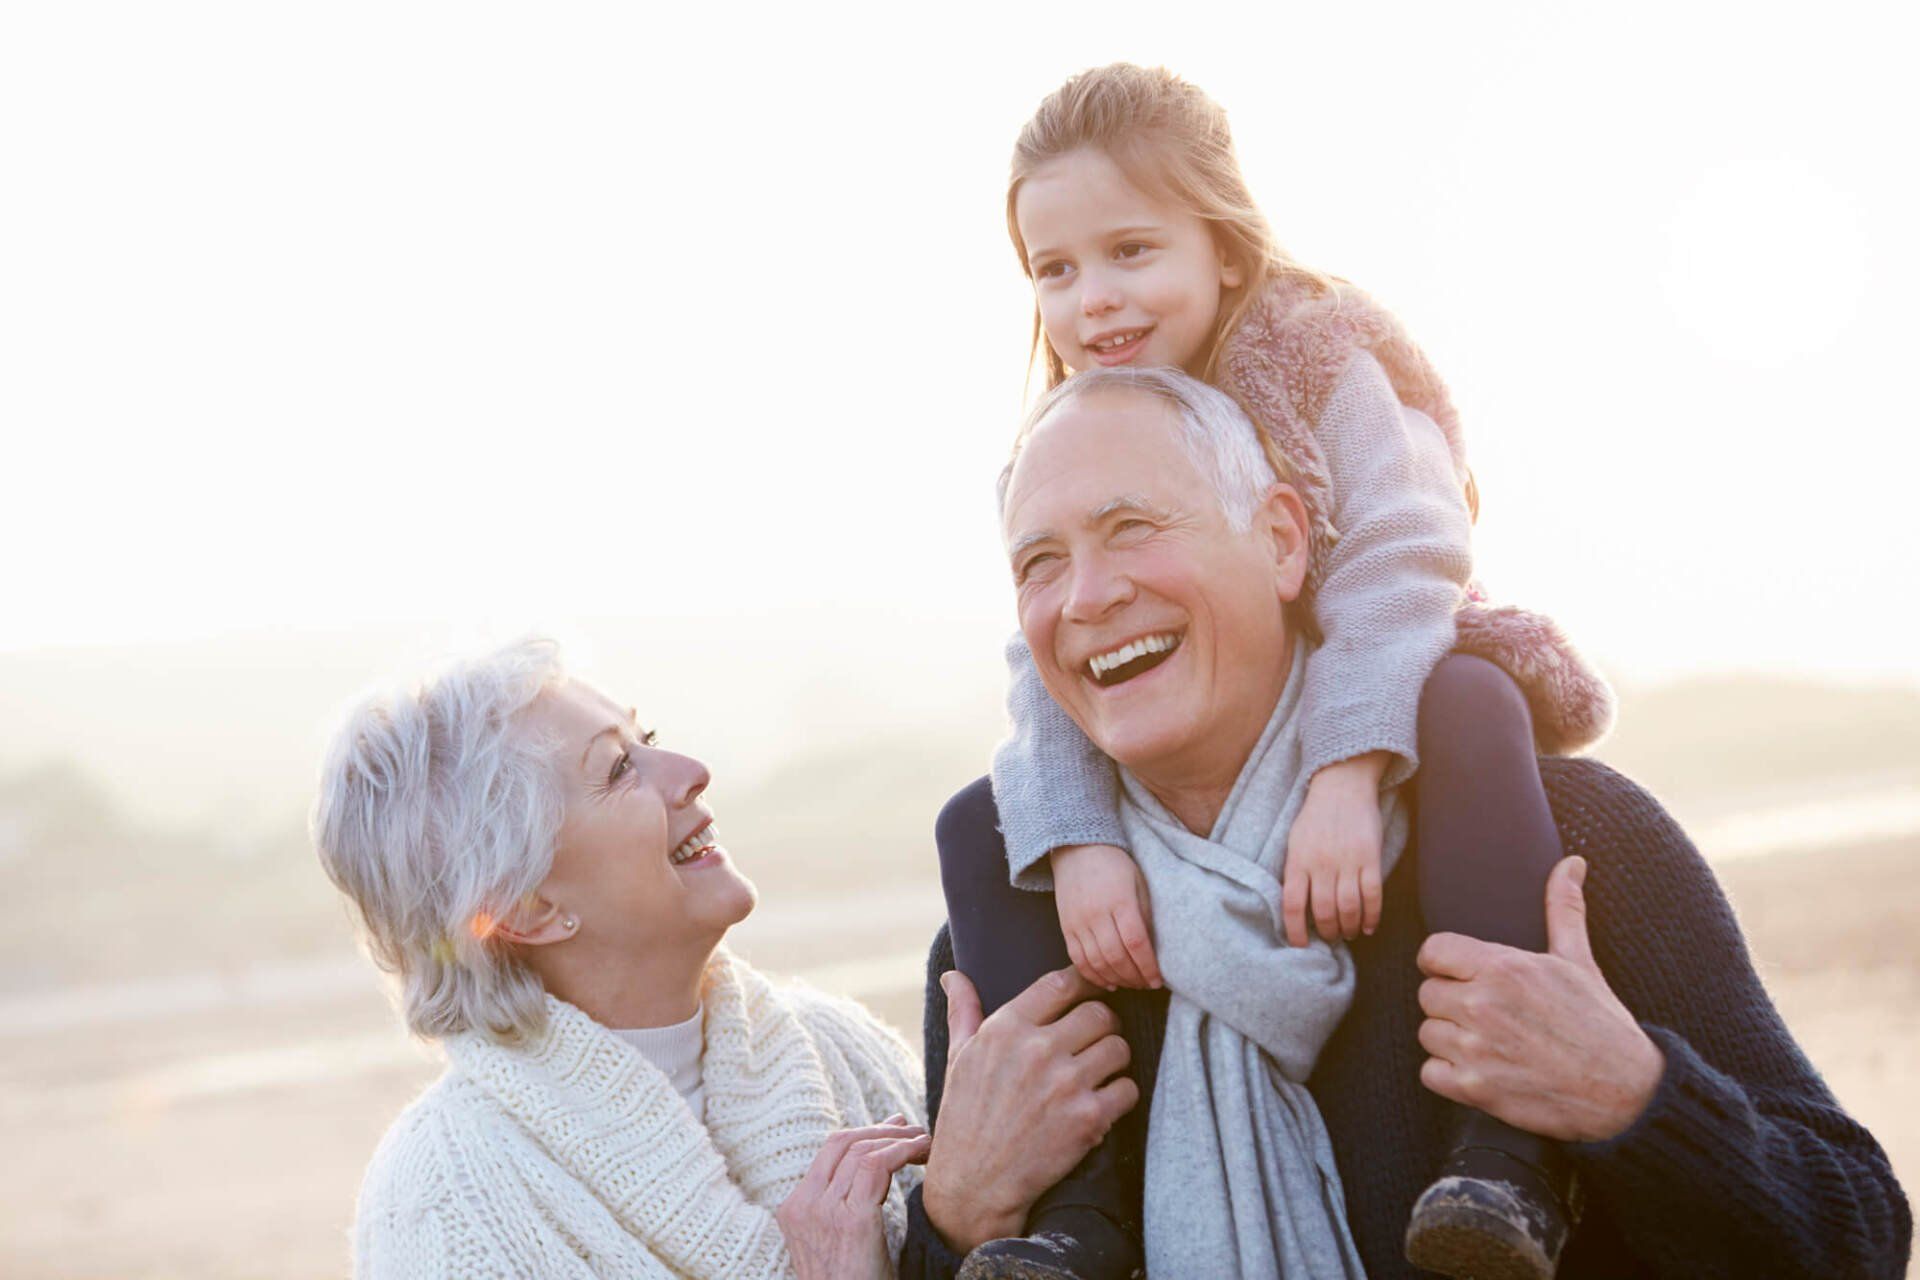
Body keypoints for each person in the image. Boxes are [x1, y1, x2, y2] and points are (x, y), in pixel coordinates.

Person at [913, 370, 1910, 1278]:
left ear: (1283, 538)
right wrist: (951, 1217)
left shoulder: (1566, 840)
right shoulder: (1012, 944)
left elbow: (1860, 1237)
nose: (1087, 594)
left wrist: (1633, 1097)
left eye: (1132, 527)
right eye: (1040, 560)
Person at [948, 62, 1609, 1278]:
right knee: (981, 822)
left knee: (1471, 696)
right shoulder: (1064, 435)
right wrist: (1081, 837)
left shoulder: (1317, 353)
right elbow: (1045, 655)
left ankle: (1514, 1150)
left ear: (1224, 242)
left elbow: (1408, 551)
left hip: (1384, 669)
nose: (1093, 299)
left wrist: (1348, 771)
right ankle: (1073, 1215)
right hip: (1198, 760)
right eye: (1054, 269)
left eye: (1131, 250)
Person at [312, 638, 1139, 1279]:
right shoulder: (445, 1202)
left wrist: (957, 1226)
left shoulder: (832, 1046)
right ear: (526, 908)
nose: (691, 773)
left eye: (652, 739)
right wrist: (959, 1210)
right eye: (616, 770)